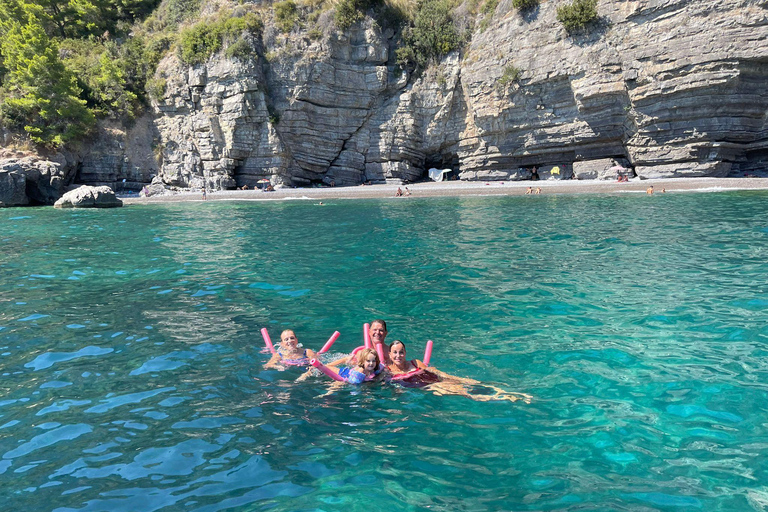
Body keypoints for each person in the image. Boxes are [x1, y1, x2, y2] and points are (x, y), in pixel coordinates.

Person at [387, 341, 531, 402]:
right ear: (389, 355)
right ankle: (505, 397)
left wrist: (451, 377)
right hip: (432, 386)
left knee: (471, 382)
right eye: (394, 353)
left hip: (438, 379)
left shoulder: (415, 362)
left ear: (405, 352)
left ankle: (507, 391)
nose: (398, 356)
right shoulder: (388, 372)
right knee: (464, 392)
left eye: (401, 352)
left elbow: (434, 371)